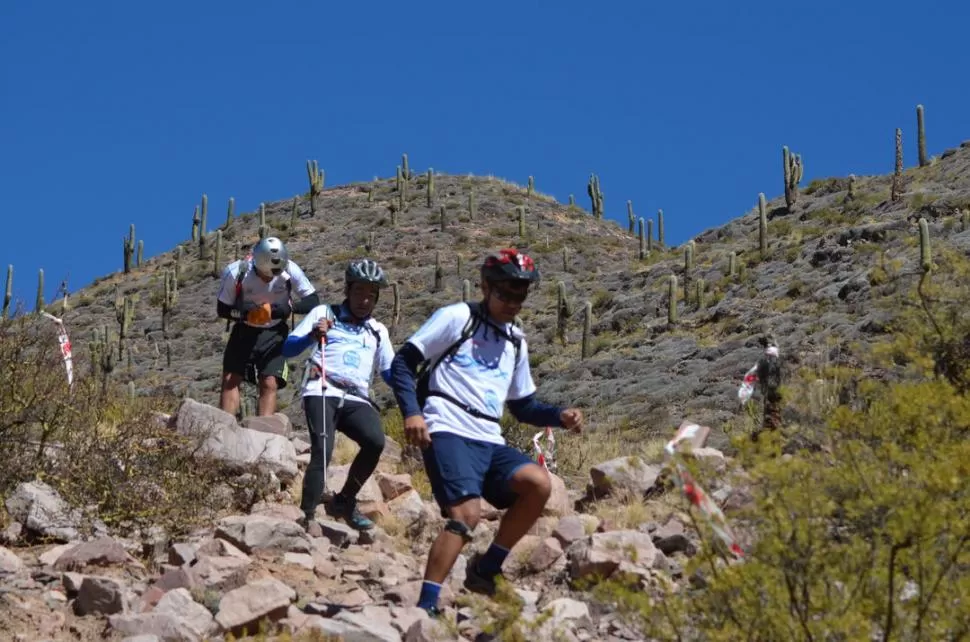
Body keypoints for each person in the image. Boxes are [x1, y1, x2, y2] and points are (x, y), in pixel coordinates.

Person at [388, 248, 584, 617]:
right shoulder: (457, 317)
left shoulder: (516, 342)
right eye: (504, 294)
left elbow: (523, 406)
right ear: (485, 286)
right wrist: (413, 413)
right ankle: (426, 606)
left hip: (489, 436)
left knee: (539, 484)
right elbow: (403, 363)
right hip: (447, 425)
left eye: (520, 296)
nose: (512, 303)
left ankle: (488, 568)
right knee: (466, 516)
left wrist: (561, 416)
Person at [282, 259, 395, 532]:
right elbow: (288, 348)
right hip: (322, 388)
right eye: (359, 292)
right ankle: (307, 516)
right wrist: (312, 334)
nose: (364, 300)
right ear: (348, 290)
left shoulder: (378, 331)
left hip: (357, 397)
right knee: (323, 448)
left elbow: (390, 373)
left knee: (375, 442)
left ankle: (344, 501)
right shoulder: (325, 313)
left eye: (371, 295)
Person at [216, 237, 319, 417]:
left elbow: (312, 300)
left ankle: (265, 430)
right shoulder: (236, 273)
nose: (271, 277)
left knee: (270, 381)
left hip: (274, 331)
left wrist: (289, 309)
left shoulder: (289, 269)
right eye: (267, 274)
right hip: (245, 330)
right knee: (231, 379)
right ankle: (224, 426)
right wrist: (244, 313)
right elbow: (222, 309)